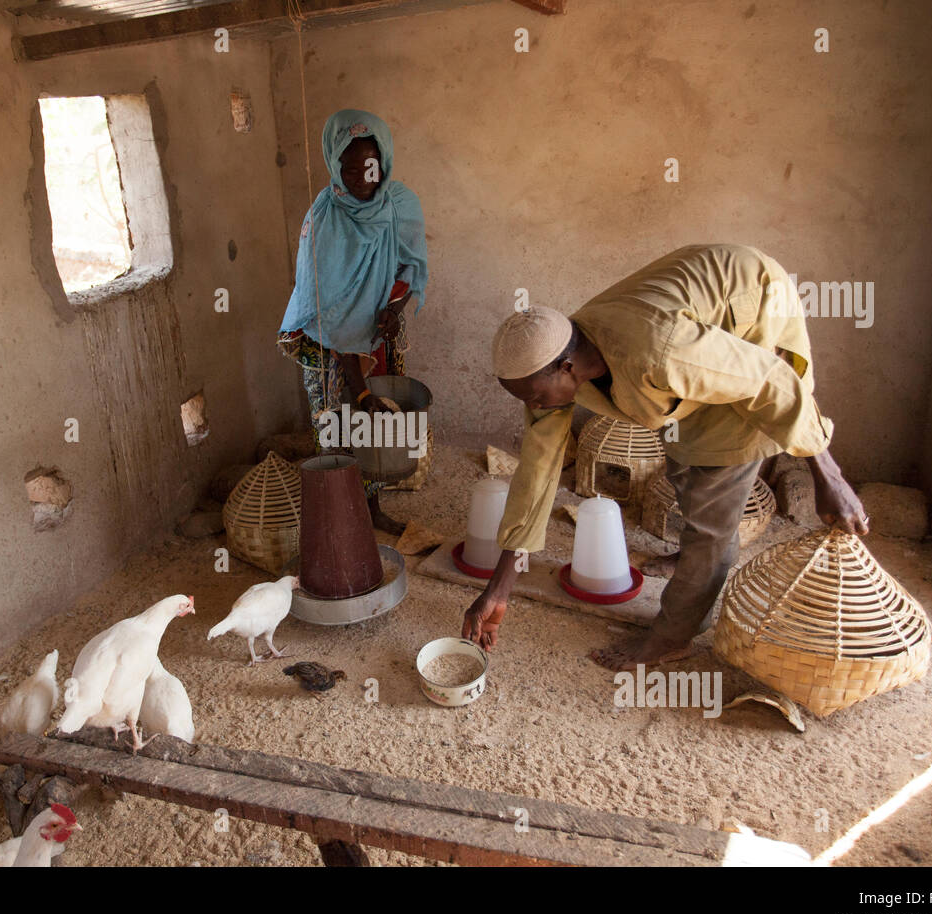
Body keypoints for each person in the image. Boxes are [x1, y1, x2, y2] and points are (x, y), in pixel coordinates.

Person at [462, 244, 869, 668]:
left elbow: (771, 380)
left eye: (536, 397)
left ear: (566, 369)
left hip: (753, 317)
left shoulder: (661, 354)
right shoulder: (558, 357)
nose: (537, 407)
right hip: (697, 335)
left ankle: (674, 636)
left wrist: (828, 475)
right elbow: (538, 470)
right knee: (683, 452)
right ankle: (692, 556)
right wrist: (500, 587)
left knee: (713, 502)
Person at [277, 109, 429, 535]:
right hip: (326, 342)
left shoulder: (400, 205)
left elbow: (409, 266)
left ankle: (372, 509)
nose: (364, 175)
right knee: (338, 423)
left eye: (371, 164)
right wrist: (358, 387)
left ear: (384, 161)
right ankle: (341, 515)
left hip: (377, 335)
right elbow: (329, 309)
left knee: (375, 425)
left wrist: (394, 310)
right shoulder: (325, 221)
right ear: (334, 165)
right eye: (350, 165)